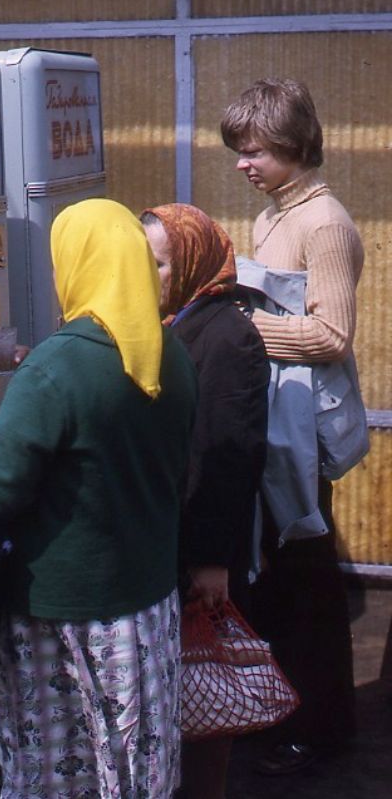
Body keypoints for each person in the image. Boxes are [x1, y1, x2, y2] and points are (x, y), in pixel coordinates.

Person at [0, 198, 198, 798]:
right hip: (148, 610)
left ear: (76, 264)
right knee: (131, 766)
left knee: (57, 775)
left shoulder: (58, 366)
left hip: (60, 619)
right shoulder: (173, 354)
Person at [221, 77, 364, 775]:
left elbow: (332, 334)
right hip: (273, 420)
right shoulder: (273, 215)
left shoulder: (324, 221)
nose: (243, 164)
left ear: (291, 143)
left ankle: (325, 726)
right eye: (239, 152)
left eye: (253, 151)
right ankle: (282, 710)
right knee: (274, 574)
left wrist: (243, 331)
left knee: (307, 578)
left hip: (303, 433)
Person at [140, 203, 270, 799]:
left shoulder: (227, 336)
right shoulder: (175, 322)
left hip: (201, 547)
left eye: (160, 264)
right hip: (178, 536)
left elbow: (226, 457)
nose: (149, 275)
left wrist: (212, 559)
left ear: (192, 262)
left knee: (203, 684)